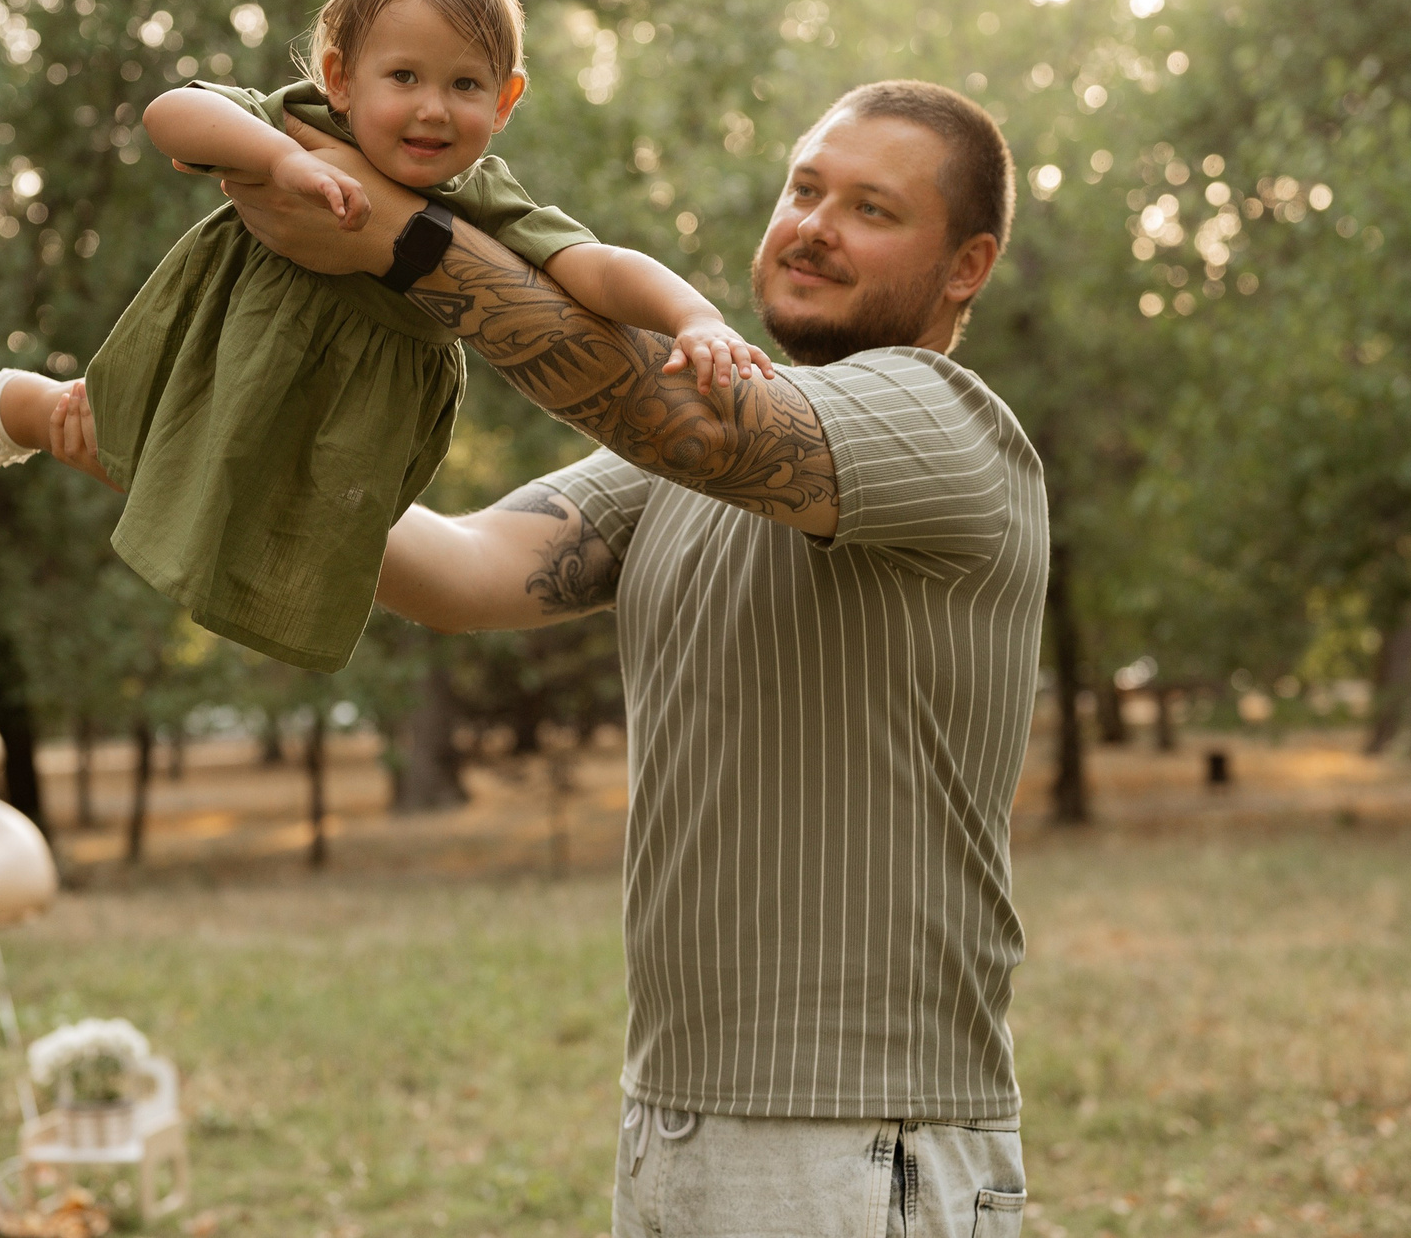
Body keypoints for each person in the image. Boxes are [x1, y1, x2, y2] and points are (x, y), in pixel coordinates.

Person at [211, 78, 1048, 1237]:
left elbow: (678, 422)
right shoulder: (688, 461)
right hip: (676, 1116)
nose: (812, 223)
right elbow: (458, 567)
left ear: (965, 265)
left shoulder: (945, 422)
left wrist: (398, 240)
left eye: (870, 207)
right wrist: (198, 443)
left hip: (861, 1140)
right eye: (804, 187)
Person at [0, 0, 769, 673]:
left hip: (344, 418)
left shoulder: (482, 198)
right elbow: (173, 112)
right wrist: (282, 158)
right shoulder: (305, 122)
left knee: (264, 527)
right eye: (402, 76)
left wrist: (695, 315)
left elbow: (596, 267)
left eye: (465, 85)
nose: (432, 109)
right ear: (341, 74)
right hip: (228, 352)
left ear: (508, 98)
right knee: (112, 440)